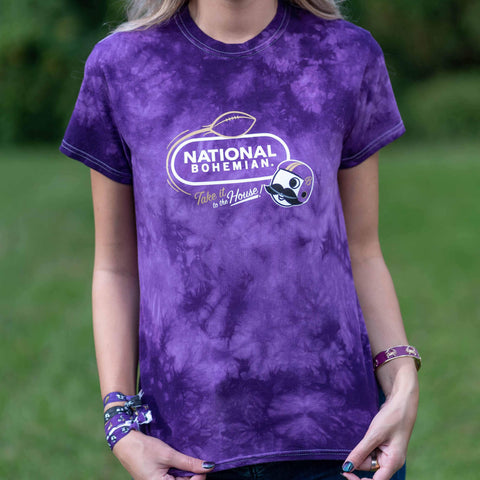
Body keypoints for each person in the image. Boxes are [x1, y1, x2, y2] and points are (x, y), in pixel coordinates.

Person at [59, 1, 420, 479]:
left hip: (344, 445)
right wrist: (121, 425)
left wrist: (402, 380)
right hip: (188, 450)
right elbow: (115, 268)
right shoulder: (122, 66)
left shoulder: (343, 55)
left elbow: (362, 252)